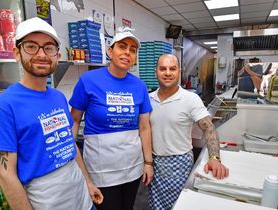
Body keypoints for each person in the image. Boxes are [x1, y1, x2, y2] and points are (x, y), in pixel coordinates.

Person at [0, 17, 103, 210]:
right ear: (17, 53)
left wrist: (88, 182)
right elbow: (5, 174)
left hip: (81, 198)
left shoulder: (58, 97)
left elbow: (70, 145)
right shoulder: (4, 105)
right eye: (31, 46)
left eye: (48, 48)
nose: (41, 54)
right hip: (47, 202)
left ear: (57, 55)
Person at [69, 27, 153, 210]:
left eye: (132, 49)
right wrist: (73, 157)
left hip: (132, 167)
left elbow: (144, 127)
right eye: (122, 47)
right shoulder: (88, 80)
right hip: (101, 170)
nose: (127, 53)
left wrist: (148, 163)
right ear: (110, 51)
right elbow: (74, 121)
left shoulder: (139, 86)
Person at [148, 54, 229, 210]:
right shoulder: (148, 99)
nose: (167, 73)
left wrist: (214, 157)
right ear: (155, 71)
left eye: (172, 69)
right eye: (162, 69)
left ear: (179, 71)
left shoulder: (190, 99)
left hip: (179, 164)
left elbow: (208, 127)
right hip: (155, 164)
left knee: (180, 205)